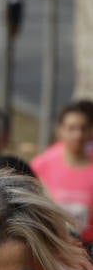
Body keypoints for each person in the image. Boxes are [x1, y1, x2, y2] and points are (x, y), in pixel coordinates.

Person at [29, 100, 93, 244]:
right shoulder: (42, 165)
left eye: (83, 128)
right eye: (72, 128)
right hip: (52, 245)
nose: (78, 135)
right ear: (61, 130)